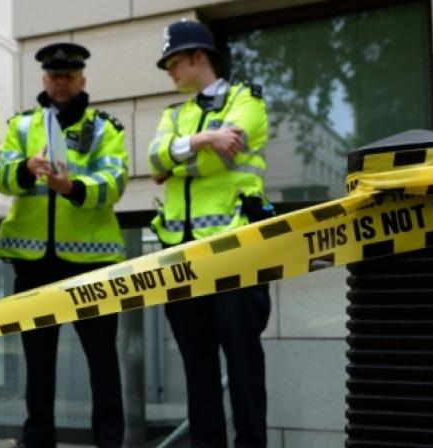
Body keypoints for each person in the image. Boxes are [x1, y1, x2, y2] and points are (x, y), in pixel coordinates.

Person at [0, 42, 128, 448]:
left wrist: (73, 187)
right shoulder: (20, 126)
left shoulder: (106, 128)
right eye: (54, 76)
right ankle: (37, 440)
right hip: (34, 262)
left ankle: (109, 441)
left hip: (92, 262)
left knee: (102, 362)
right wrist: (24, 168)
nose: (61, 83)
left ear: (82, 79)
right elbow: (0, 177)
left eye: (68, 76)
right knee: (37, 363)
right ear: (44, 80)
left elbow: (116, 182)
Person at [148, 19, 272, 448]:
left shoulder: (247, 99)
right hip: (180, 256)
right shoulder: (173, 113)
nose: (169, 71)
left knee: (243, 365)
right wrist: (204, 139)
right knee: (196, 367)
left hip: (235, 249)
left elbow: (225, 148)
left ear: (200, 57)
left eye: (174, 61)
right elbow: (153, 159)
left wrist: (178, 156)